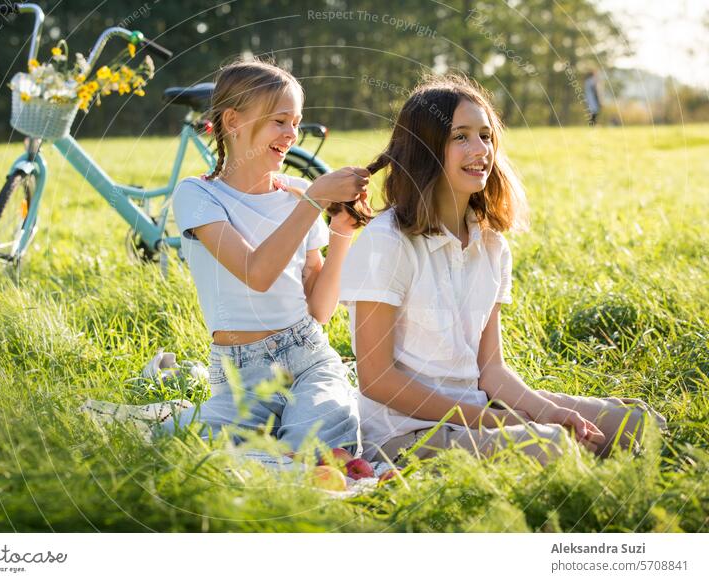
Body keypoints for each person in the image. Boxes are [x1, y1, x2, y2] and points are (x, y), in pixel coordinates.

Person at [339, 74, 666, 465]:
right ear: (425, 148)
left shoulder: (491, 242)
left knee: (640, 425)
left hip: (479, 405)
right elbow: (377, 380)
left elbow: (491, 369)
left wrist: (549, 412)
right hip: (406, 432)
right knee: (552, 448)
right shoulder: (387, 241)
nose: (480, 150)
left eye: (486, 135)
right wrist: (498, 422)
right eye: (460, 137)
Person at [163, 58, 371, 457]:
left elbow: (320, 310)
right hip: (242, 374)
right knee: (187, 448)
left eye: (296, 121)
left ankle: (298, 452)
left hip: (309, 356)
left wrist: (342, 231)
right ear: (233, 121)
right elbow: (254, 273)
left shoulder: (296, 192)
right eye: (280, 120)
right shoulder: (199, 196)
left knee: (327, 428)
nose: (292, 134)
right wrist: (313, 201)